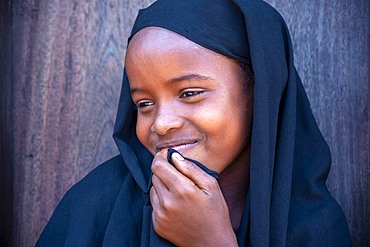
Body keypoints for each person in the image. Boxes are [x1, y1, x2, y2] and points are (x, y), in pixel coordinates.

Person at [36, 0, 351, 246]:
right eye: (143, 103)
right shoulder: (91, 208)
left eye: (189, 93)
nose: (161, 124)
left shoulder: (316, 227)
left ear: (259, 90)